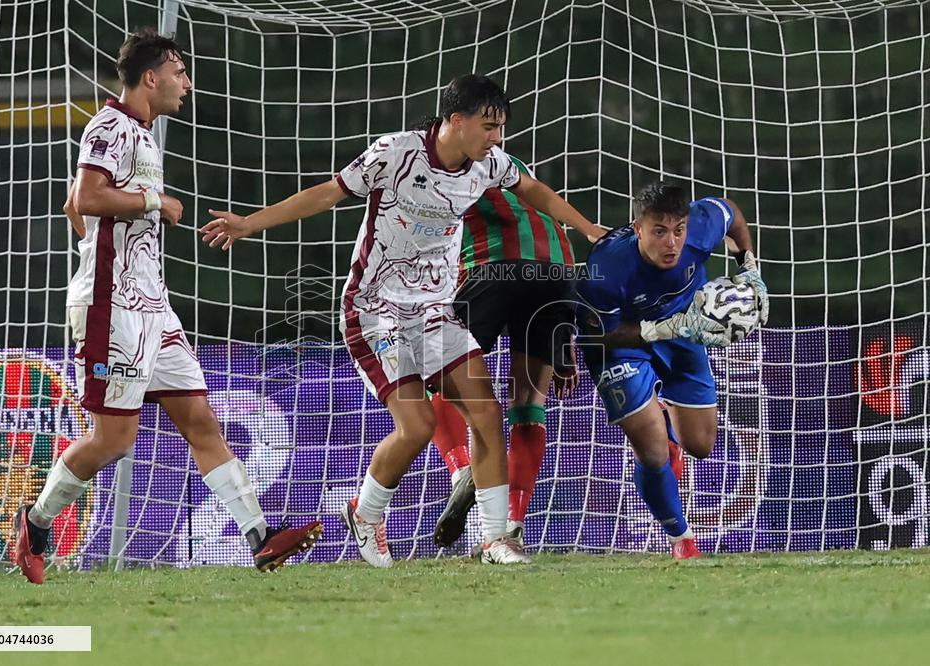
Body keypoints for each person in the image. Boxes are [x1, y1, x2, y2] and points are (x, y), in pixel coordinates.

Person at [200, 74, 602, 567]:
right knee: (417, 426)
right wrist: (248, 223)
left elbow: (536, 190)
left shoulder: (489, 164)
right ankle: (366, 514)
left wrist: (585, 227)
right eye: (489, 125)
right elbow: (327, 193)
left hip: (434, 313)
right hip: (375, 309)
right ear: (456, 121)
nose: (498, 138)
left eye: (502, 127)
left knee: (488, 413)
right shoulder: (396, 152)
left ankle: (496, 538)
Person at [14, 29, 322, 585]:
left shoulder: (146, 135)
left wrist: (105, 242)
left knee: (201, 419)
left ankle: (259, 537)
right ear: (151, 76)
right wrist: (152, 205)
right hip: (114, 311)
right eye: (179, 71)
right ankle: (35, 524)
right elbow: (85, 199)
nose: (186, 81)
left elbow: (73, 208)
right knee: (115, 439)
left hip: (154, 308)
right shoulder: (110, 124)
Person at [575, 182, 769, 560]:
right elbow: (597, 336)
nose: (672, 243)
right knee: (652, 447)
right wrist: (659, 330)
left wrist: (748, 267)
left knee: (701, 444)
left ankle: (666, 427)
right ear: (637, 229)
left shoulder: (701, 225)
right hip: (622, 343)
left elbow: (733, 213)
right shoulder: (606, 267)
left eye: (677, 230)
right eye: (659, 231)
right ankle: (682, 539)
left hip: (685, 332)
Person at [429, 153, 593, 550]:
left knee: (431, 377)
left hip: (492, 267)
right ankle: (513, 527)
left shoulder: (437, 166)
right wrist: (565, 348)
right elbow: (546, 218)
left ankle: (464, 471)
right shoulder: (514, 166)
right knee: (528, 405)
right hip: (559, 273)